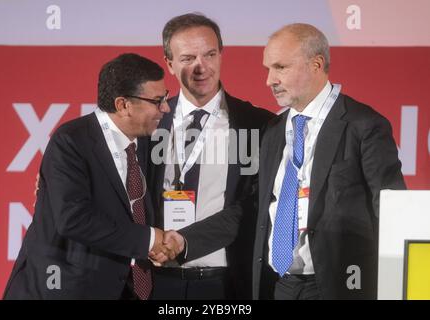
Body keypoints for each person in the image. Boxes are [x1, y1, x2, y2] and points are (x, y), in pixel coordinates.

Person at [159, 23, 406, 300]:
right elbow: (253, 207)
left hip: (339, 286)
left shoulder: (363, 126)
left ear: (316, 64)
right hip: (277, 286)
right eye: (268, 69)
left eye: (280, 68)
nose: (269, 80)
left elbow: (391, 212)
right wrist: (186, 239)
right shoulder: (274, 130)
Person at [3, 53, 172, 299]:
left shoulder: (145, 142)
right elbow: (73, 218)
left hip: (119, 287)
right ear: (123, 105)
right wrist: (148, 240)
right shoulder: (71, 141)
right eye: (158, 100)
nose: (165, 108)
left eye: (165, 98)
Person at [147, 13, 274, 300]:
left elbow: (256, 204)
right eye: (188, 58)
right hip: (156, 282)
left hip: (227, 284)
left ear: (221, 55)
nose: (201, 67)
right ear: (169, 63)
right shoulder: (150, 123)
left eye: (210, 54)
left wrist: (186, 240)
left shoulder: (258, 124)